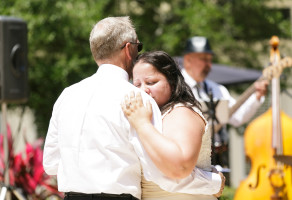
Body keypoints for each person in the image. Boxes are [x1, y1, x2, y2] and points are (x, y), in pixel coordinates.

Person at [43, 17, 223, 200]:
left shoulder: (67, 95)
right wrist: (213, 182)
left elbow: (51, 164)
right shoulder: (137, 99)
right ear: (129, 49)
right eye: (139, 47)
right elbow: (161, 174)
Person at [121, 50, 225, 200]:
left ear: (171, 81)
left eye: (151, 82)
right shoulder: (144, 115)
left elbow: (179, 167)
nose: (143, 89)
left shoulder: (181, 112)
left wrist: (142, 123)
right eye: (137, 84)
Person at [181, 36, 269, 167]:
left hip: (217, 158)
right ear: (188, 60)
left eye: (210, 60)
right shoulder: (176, 87)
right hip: (186, 157)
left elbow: (238, 118)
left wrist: (257, 97)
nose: (209, 65)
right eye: (204, 59)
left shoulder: (217, 89)